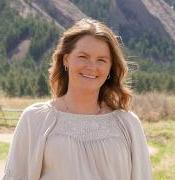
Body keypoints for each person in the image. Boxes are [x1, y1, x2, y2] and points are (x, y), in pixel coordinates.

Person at [3, 18, 152, 180]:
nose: (91, 66)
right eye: (83, 56)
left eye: (101, 60)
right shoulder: (35, 119)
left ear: (110, 68)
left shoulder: (127, 124)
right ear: (66, 60)